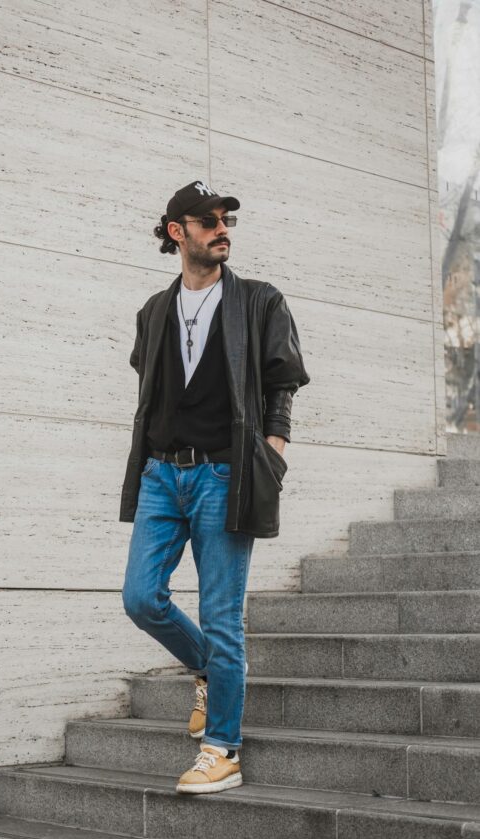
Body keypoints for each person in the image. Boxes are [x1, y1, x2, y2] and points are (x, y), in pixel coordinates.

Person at [119, 180, 310, 794]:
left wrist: (272, 453)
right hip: (160, 475)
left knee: (222, 616)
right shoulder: (153, 310)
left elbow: (283, 381)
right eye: (207, 220)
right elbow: (150, 386)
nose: (221, 228)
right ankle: (206, 670)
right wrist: (150, 460)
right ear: (177, 232)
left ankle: (222, 747)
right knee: (141, 599)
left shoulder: (258, 301)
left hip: (224, 475)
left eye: (226, 218)